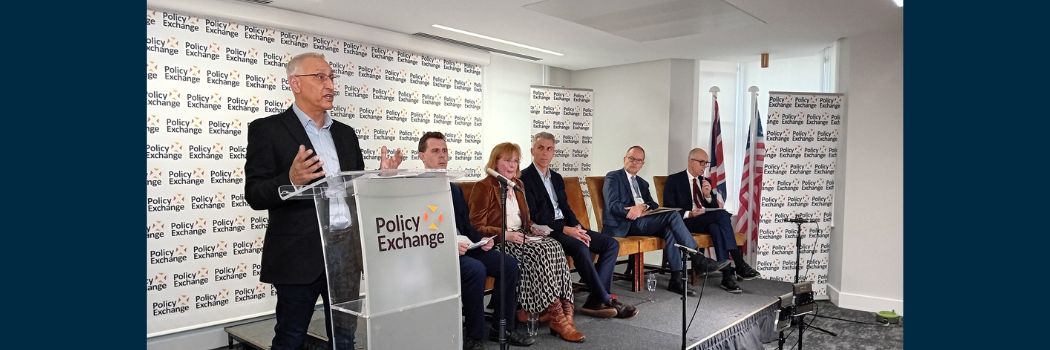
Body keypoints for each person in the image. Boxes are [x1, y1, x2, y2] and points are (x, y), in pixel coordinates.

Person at [244, 52, 403, 350]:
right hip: (297, 255)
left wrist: (380, 179)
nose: (330, 84)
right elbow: (254, 194)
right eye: (320, 77)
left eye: (331, 77)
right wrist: (291, 180)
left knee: (344, 339)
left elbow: (353, 190)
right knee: (290, 338)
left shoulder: (345, 134)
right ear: (295, 83)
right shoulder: (268, 130)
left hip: (345, 252)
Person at [416, 132, 534, 349]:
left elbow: (467, 226)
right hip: (437, 250)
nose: (442, 156)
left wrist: (483, 239)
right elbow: (421, 232)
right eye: (435, 151)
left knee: (507, 263)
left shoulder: (454, 189)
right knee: (475, 269)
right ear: (421, 156)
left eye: (444, 150)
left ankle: (503, 327)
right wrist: (451, 245)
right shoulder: (415, 190)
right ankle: (474, 336)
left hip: (465, 245)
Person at [468, 142, 585, 343]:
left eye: (515, 161)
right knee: (538, 254)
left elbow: (525, 219)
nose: (512, 165)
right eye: (507, 160)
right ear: (495, 162)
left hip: (522, 235)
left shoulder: (519, 185)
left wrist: (533, 227)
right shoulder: (484, 186)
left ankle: (565, 309)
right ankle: (556, 313)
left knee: (554, 246)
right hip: (499, 241)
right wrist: (506, 234)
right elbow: (476, 226)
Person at [520, 132, 637, 319]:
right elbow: (535, 215)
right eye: (540, 148)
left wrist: (578, 228)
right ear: (532, 150)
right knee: (581, 247)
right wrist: (567, 230)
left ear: (553, 152)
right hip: (547, 231)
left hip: (567, 226)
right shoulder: (524, 177)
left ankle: (595, 299)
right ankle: (606, 299)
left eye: (549, 148)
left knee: (610, 244)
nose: (544, 152)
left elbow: (565, 207)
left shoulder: (556, 177)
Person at [600, 146, 729, 297]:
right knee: (673, 215)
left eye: (639, 160)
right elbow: (612, 205)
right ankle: (698, 258)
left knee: (670, 229)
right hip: (625, 223)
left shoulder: (642, 183)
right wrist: (631, 211)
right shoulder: (613, 177)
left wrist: (642, 206)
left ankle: (675, 279)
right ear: (624, 159)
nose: (634, 162)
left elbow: (653, 204)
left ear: (643, 164)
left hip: (644, 220)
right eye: (631, 158)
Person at [662, 148, 761, 294]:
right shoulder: (674, 179)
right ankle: (738, 264)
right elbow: (669, 208)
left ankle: (727, 276)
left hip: (704, 221)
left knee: (717, 226)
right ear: (691, 161)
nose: (704, 167)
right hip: (684, 223)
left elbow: (714, 209)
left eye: (706, 163)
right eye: (701, 163)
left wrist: (708, 196)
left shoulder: (705, 181)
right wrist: (689, 213)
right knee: (722, 216)